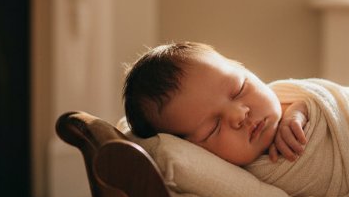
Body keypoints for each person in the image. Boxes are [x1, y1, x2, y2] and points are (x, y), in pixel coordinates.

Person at [123, 42, 310, 166]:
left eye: (239, 89)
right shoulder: (230, 184)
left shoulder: (292, 98)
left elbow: (326, 99)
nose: (239, 115)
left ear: (245, 69)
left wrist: (299, 111)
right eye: (213, 128)